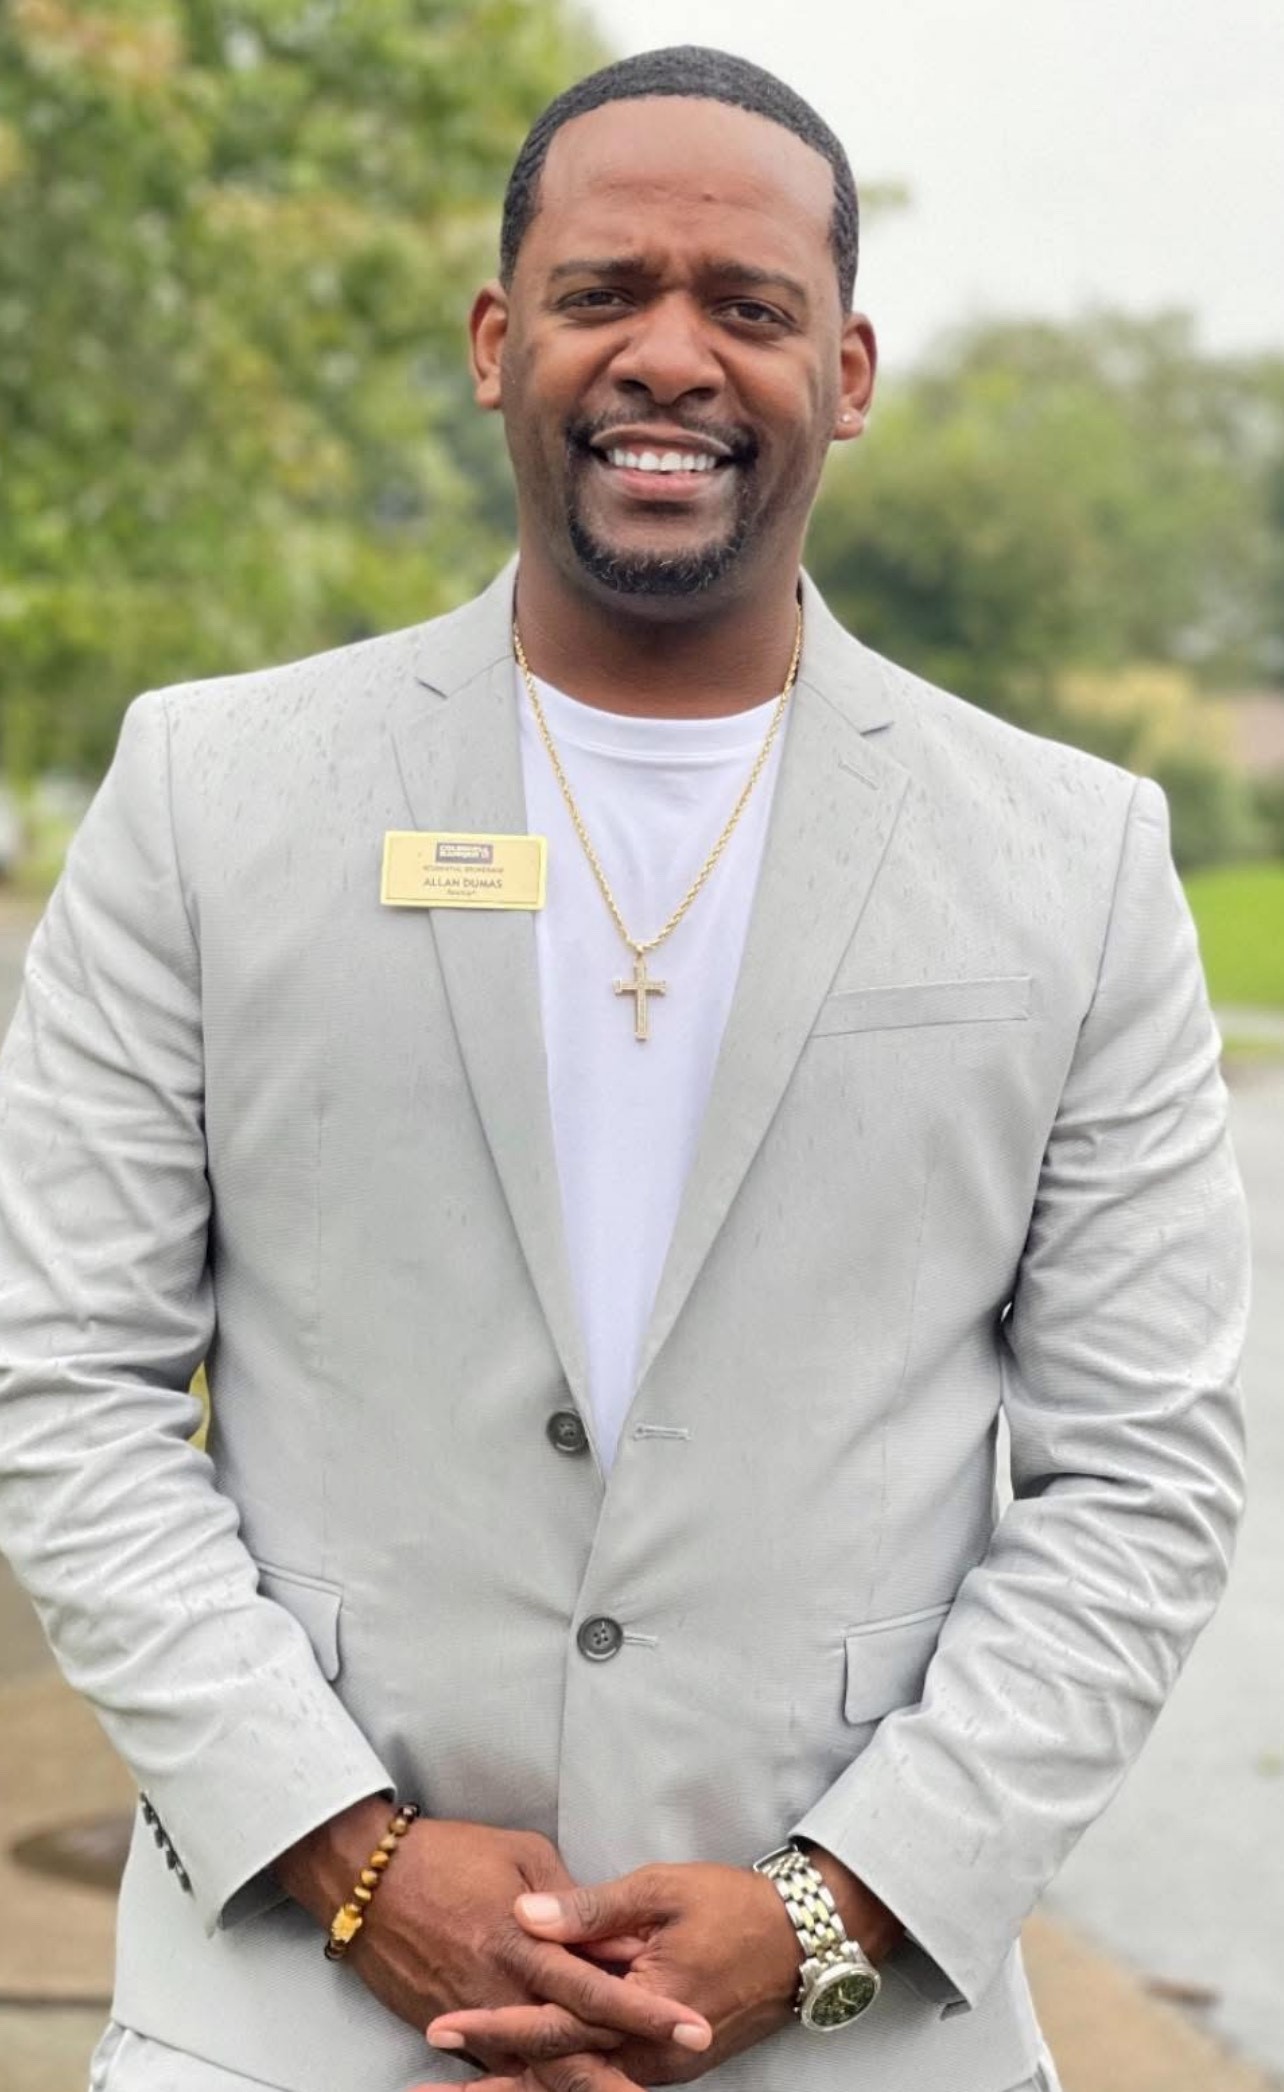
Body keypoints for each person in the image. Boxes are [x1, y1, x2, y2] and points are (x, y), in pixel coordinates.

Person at [0, 45, 1248, 2092]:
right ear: (501, 341)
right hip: (283, 2027)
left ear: (846, 370)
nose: (671, 354)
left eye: (747, 305)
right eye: (604, 293)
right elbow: (65, 1381)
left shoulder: (1071, 855)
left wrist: (828, 1912)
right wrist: (349, 1856)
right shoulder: (207, 795)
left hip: (852, 2041)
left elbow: (1146, 1476)